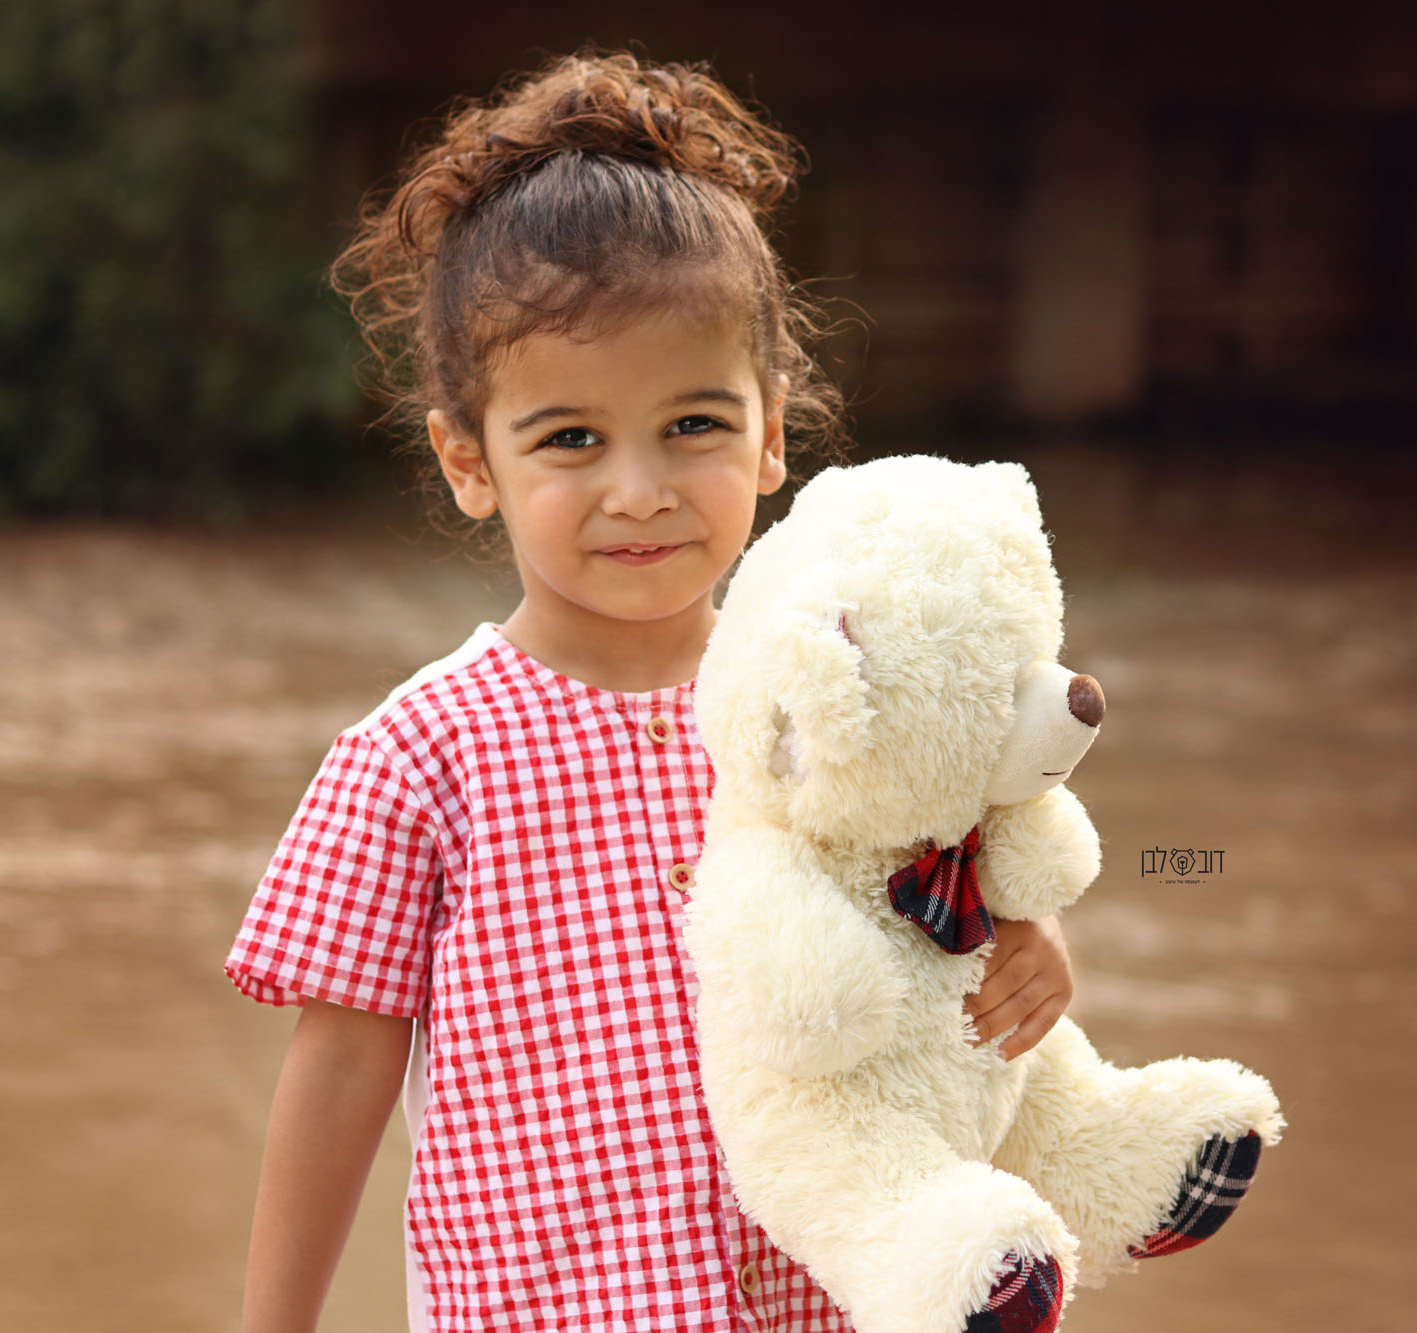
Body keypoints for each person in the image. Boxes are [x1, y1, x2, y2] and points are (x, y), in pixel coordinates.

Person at [224, 49, 1078, 1333]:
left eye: (692, 426)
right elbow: (340, 1064)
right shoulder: (421, 754)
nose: (638, 491)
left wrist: (1028, 946)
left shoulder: (836, 701)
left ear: (770, 431)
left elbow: (950, 908)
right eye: (570, 438)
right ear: (469, 461)